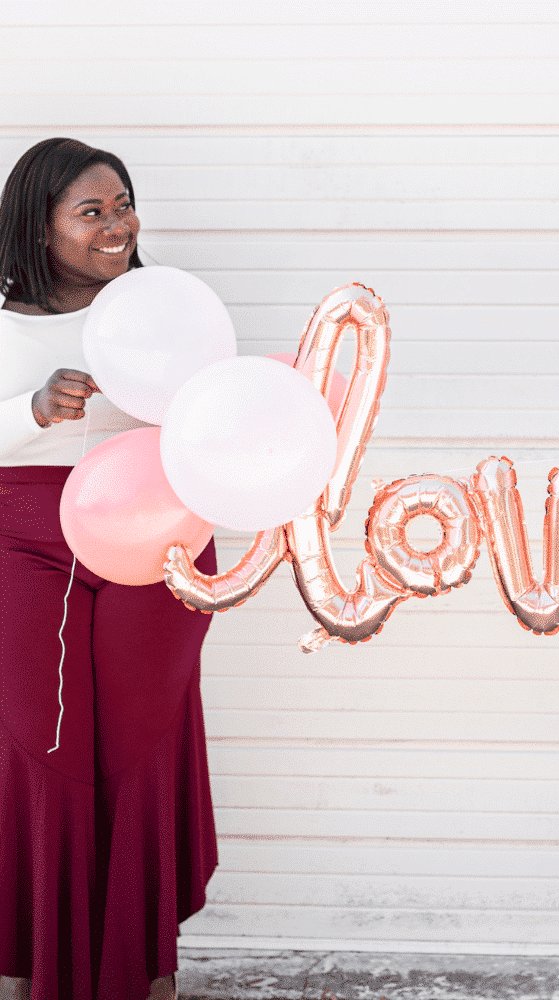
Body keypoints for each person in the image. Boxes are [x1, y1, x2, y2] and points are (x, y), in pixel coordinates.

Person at [0, 139, 218, 999]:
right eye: (91, 211)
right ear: (38, 226)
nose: (117, 225)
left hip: (150, 538)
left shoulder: (169, 310)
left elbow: (212, 429)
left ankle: (146, 974)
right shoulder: (1, 318)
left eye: (123, 204)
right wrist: (33, 408)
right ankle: (23, 971)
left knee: (138, 750)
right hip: (21, 536)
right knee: (38, 745)